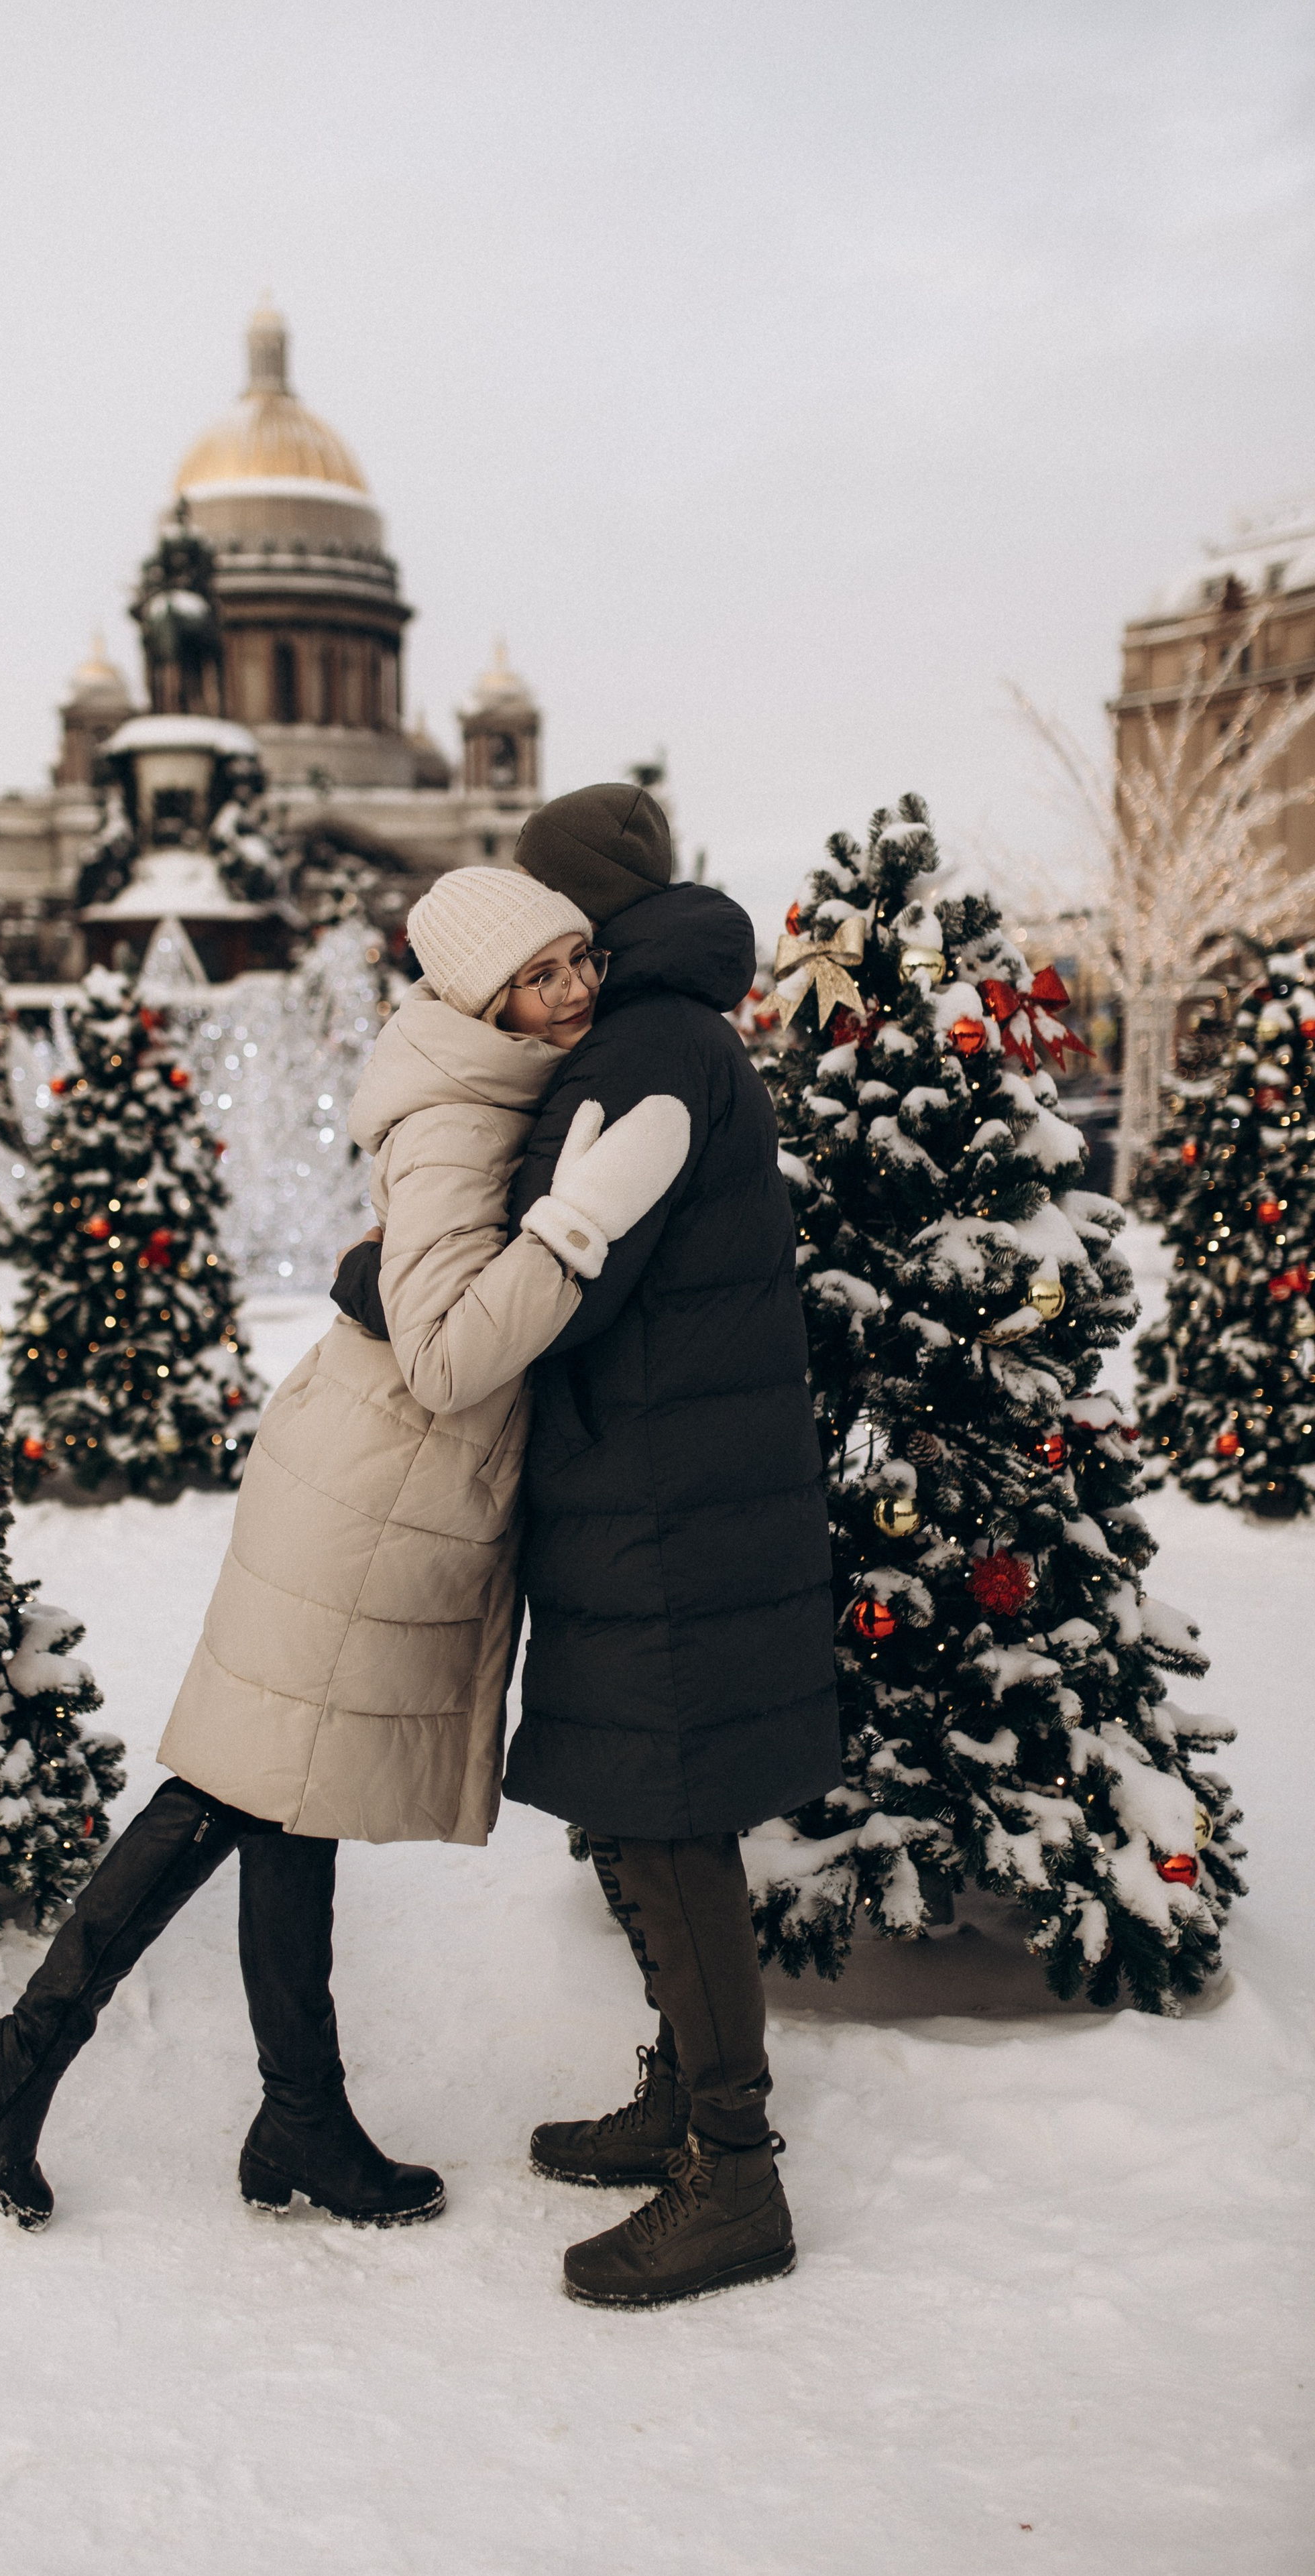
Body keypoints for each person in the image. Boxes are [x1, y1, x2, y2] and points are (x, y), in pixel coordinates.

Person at [0, 865, 690, 2234]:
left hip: (371, 1476)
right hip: (377, 1487)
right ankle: (31, 2054)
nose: (572, 989)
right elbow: (450, 1356)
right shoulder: (462, 1111)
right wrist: (574, 1227)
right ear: (476, 994)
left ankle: (291, 2111)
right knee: (243, 1785)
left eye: (579, 959)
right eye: (538, 974)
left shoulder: (489, 1082)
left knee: (282, 1789)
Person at [336, 784, 840, 2308]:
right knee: (644, 1810)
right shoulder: (678, 1029)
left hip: (665, 1497)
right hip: (668, 1479)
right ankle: (684, 2098)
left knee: (664, 1818)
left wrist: (382, 1278)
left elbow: (563, 1285)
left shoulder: (636, 1055)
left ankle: (731, 2177)